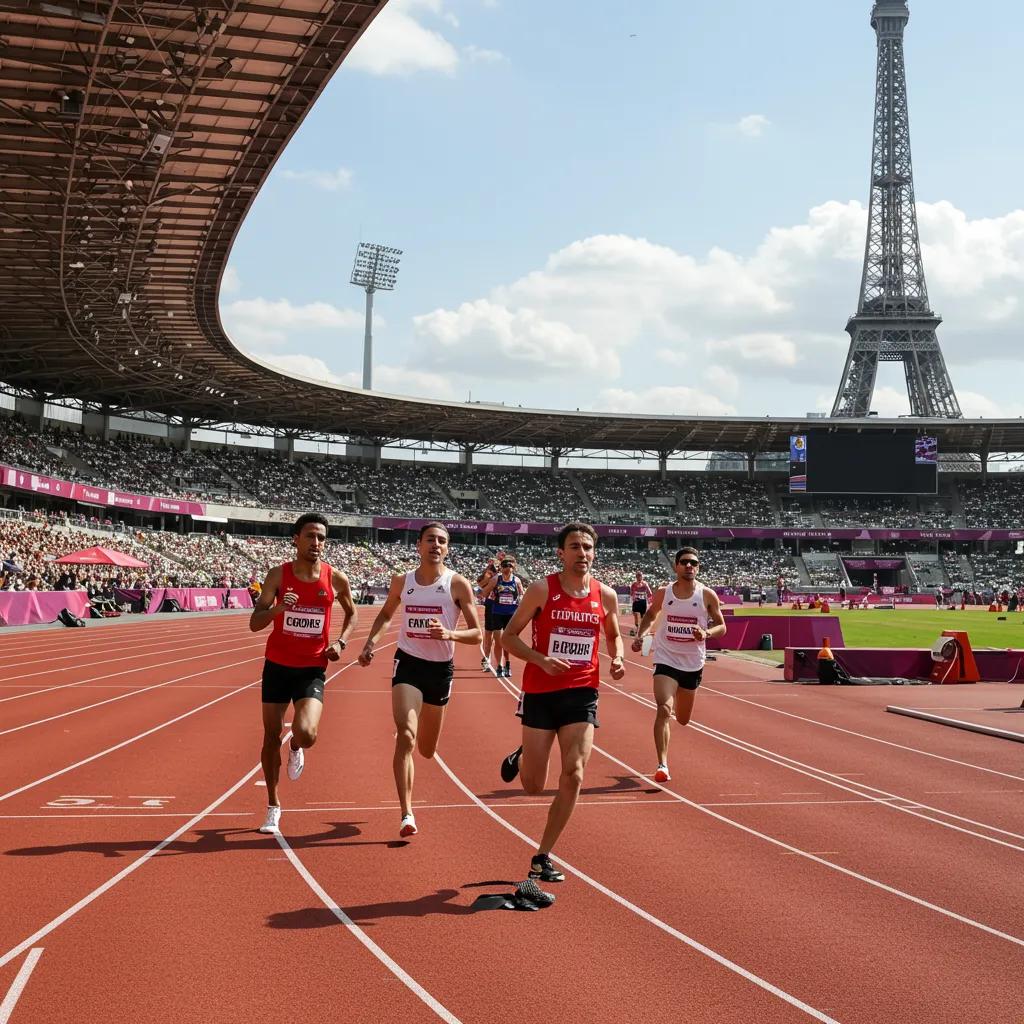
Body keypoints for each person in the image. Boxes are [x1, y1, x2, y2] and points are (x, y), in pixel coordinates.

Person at [498, 523, 625, 884]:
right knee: (534, 786)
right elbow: (508, 638)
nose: (581, 553)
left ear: (594, 553)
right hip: (540, 692)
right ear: (560, 552)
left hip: (583, 693)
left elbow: (614, 635)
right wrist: (540, 660)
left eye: (587, 547)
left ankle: (542, 855)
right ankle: (522, 756)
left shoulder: (606, 595)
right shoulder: (542, 590)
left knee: (575, 772)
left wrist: (616, 658)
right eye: (574, 547)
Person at [358, 522, 481, 838]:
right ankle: (406, 813)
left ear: (447, 548)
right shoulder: (403, 581)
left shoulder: (458, 584)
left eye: (442, 541)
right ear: (419, 545)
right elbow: (386, 614)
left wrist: (449, 633)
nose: (436, 545)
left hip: (440, 671)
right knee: (407, 736)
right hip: (408, 664)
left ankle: (412, 742)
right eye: (430, 540)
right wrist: (371, 642)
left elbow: (477, 633)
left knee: (427, 749)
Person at [249, 512, 357, 836]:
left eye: (322, 537)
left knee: (307, 733)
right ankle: (273, 806)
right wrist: (280, 609)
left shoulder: (335, 579)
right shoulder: (277, 576)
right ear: (296, 539)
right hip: (278, 664)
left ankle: (295, 746)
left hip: (312, 667)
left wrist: (341, 641)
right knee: (270, 736)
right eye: (310, 535)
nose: (316, 542)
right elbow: (254, 623)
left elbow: (352, 614)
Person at [632, 546, 726, 783]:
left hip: (692, 663)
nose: (689, 566)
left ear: (698, 567)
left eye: (693, 563)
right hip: (666, 658)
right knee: (664, 708)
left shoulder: (706, 595)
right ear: (675, 566)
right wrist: (641, 634)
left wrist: (705, 633)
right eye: (684, 562)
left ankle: (675, 708)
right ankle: (662, 764)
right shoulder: (665, 593)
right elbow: (651, 614)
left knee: (682, 719)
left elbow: (722, 627)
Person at [479, 556, 524, 677]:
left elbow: (522, 596)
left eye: (509, 566)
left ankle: (507, 664)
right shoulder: (496, 579)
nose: (507, 568)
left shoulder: (517, 581)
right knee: (498, 641)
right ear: (501, 568)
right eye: (504, 566)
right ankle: (499, 666)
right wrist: (490, 598)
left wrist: (519, 604)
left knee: (507, 642)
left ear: (513, 568)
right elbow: (485, 592)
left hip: (511, 614)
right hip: (497, 612)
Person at [477, 557, 500, 672]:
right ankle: (486, 659)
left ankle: (501, 663)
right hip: (491, 604)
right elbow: (480, 585)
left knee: (500, 636)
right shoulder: (489, 572)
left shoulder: (507, 573)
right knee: (488, 634)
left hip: (504, 606)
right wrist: (489, 575)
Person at [628, 570, 654, 636]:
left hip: (643, 601)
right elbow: (631, 593)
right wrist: (634, 598)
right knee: (636, 615)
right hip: (636, 601)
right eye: (638, 576)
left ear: (642, 577)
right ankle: (637, 628)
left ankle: (641, 630)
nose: (639, 577)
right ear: (636, 577)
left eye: (640, 576)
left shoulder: (645, 584)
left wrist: (650, 601)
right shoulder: (634, 584)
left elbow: (649, 593)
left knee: (643, 617)